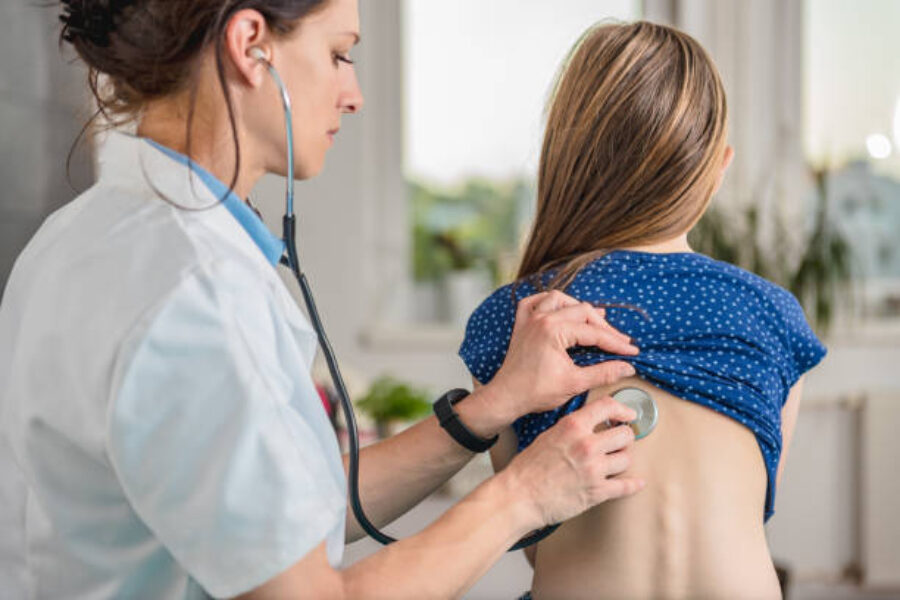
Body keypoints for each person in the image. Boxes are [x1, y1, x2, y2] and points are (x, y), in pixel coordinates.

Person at [0, 1, 648, 598]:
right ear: (251, 44)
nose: (355, 95)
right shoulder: (191, 293)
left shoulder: (82, 236)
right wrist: (527, 496)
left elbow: (280, 519)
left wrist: (492, 408)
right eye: (339, 54)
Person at [459, 20, 827, 600]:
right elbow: (751, 509)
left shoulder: (514, 319)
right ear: (716, 170)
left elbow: (531, 528)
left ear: (567, 160)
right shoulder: (775, 317)